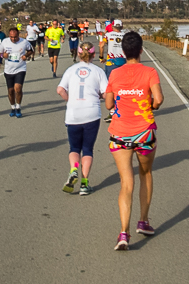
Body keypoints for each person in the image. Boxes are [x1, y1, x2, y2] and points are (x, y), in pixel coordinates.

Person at [104, 32, 162, 251]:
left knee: (125, 183)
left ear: (123, 52)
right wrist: (150, 106)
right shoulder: (149, 72)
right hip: (144, 133)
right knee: (145, 174)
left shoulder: (115, 74)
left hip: (119, 134)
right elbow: (158, 99)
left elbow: (109, 104)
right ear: (140, 49)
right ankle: (143, 222)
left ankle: (123, 233)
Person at [56, 42, 106, 196]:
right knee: (88, 149)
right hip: (91, 113)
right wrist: (99, 96)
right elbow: (106, 93)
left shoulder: (71, 70)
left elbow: (60, 90)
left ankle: (74, 169)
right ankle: (84, 183)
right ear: (93, 54)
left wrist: (69, 100)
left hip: (73, 114)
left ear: (78, 54)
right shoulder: (98, 71)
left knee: (74, 148)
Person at [0, 27, 33, 118]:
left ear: (18, 35)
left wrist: (26, 56)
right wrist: (2, 55)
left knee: (18, 88)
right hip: (8, 70)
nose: (13, 39)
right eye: (11, 37)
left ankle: (18, 107)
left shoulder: (24, 42)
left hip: (20, 68)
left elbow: (30, 51)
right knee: (10, 90)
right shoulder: (5, 42)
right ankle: (12, 107)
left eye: (15, 37)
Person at [101, 20, 126, 121]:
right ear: (122, 26)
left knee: (110, 87)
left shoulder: (108, 35)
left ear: (112, 26)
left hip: (111, 62)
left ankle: (112, 111)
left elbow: (102, 45)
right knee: (123, 86)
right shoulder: (125, 36)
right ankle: (123, 110)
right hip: (123, 62)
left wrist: (101, 57)